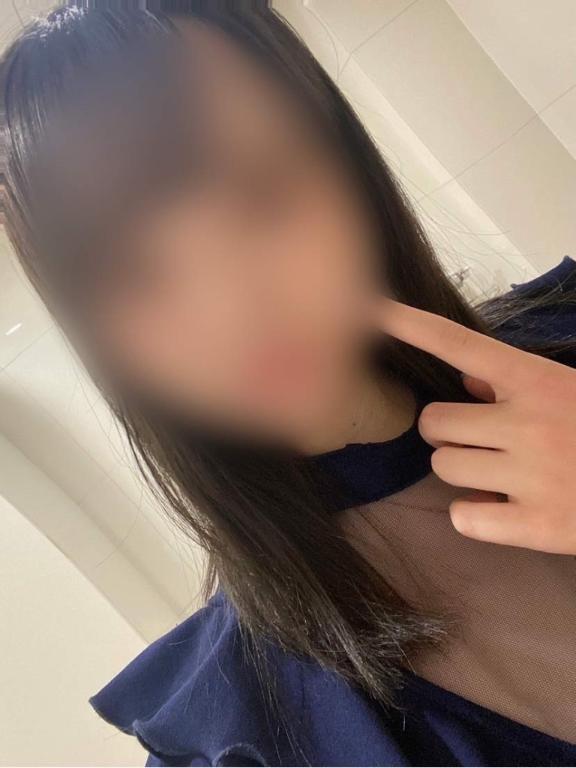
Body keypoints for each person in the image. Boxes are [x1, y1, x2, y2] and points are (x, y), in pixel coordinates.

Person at [1, 3, 576, 765]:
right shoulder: (233, 732)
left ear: (351, 169)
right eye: (133, 274)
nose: (233, 306)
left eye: (263, 195)